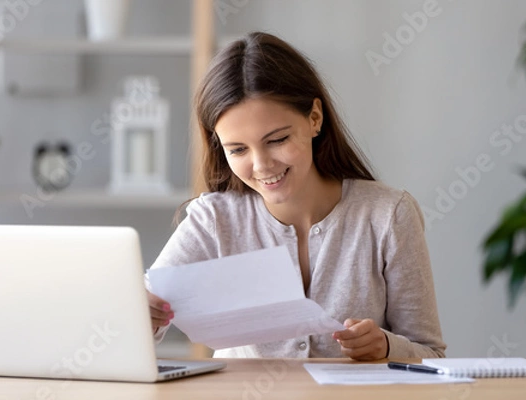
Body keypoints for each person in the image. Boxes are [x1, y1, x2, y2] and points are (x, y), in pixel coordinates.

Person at [146, 31, 446, 360]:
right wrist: (143, 313)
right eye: (238, 149)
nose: (261, 165)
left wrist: (388, 347)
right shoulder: (213, 219)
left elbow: (431, 354)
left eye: (277, 140)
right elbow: (144, 309)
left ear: (314, 118)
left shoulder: (388, 215)